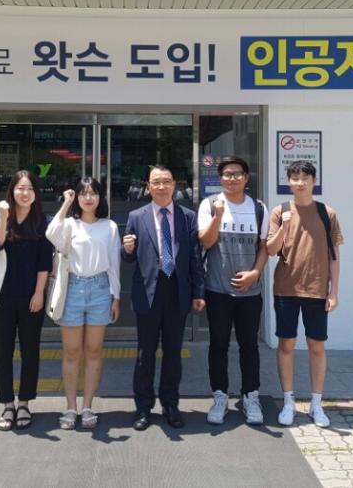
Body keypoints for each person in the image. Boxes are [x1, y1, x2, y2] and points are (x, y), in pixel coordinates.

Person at [122, 165, 204, 431]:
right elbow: (128, 258)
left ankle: (170, 404)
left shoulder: (187, 217)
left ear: (174, 184)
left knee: (173, 353)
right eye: (156, 182)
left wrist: (198, 292)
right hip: (148, 293)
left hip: (177, 292)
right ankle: (143, 407)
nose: (161, 186)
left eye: (166, 181)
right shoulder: (136, 216)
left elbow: (194, 258)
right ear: (148, 186)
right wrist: (127, 250)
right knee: (145, 353)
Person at [266, 160, 343, 428]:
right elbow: (271, 250)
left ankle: (316, 404)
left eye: (305, 178)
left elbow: (334, 255)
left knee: (316, 345)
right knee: (286, 344)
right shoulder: (280, 211)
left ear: (314, 181)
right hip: (286, 288)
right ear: (288, 181)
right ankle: (288, 401)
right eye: (295, 178)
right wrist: (284, 227)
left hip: (317, 289)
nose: (300, 182)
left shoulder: (327, 213)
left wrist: (334, 291)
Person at [197, 156, 269, 425]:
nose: (232, 178)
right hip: (218, 290)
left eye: (238, 174)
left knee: (249, 345)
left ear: (246, 178)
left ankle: (251, 396)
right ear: (220, 178)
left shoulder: (258, 208)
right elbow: (206, 241)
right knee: (218, 344)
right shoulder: (209, 205)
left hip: (250, 292)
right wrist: (218, 215)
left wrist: (255, 273)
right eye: (227, 174)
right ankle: (220, 397)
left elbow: (264, 246)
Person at [45, 177, 121, 430]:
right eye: (83, 193)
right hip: (73, 289)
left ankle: (87, 406)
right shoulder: (69, 224)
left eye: (93, 193)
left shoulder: (109, 226)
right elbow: (50, 234)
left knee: (94, 351)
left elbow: (114, 264)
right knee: (71, 351)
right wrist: (65, 203)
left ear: (100, 197)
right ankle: (70, 407)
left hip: (100, 289)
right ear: (77, 197)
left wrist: (116, 296)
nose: (88, 198)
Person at [0, 170, 53, 431]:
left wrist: (39, 293)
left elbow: (44, 262)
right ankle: (7, 404)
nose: (25, 193)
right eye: (20, 188)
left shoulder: (41, 221)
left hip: (30, 297)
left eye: (30, 189)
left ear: (36, 194)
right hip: (2, 297)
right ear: (12, 191)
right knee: (2, 351)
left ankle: (24, 403)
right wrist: (4, 216)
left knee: (30, 351)